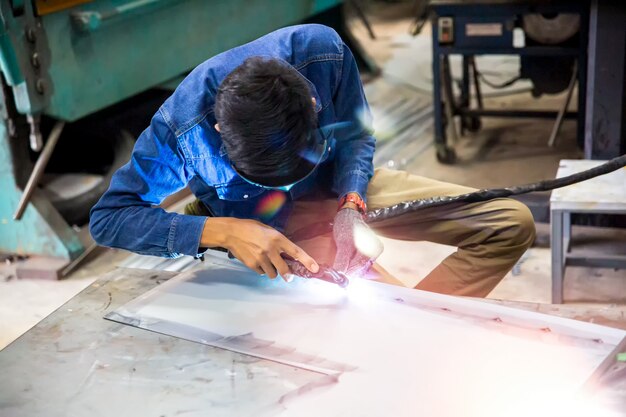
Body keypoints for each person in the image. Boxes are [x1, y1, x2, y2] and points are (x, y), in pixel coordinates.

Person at [90, 24, 535, 297]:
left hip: (336, 187)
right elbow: (109, 218)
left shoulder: (324, 56)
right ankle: (413, 328)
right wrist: (223, 231)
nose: (283, 185)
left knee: (510, 223)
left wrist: (352, 201)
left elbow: (358, 136)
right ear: (221, 134)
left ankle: (419, 322)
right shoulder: (181, 129)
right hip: (266, 224)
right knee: (366, 317)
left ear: (312, 105)